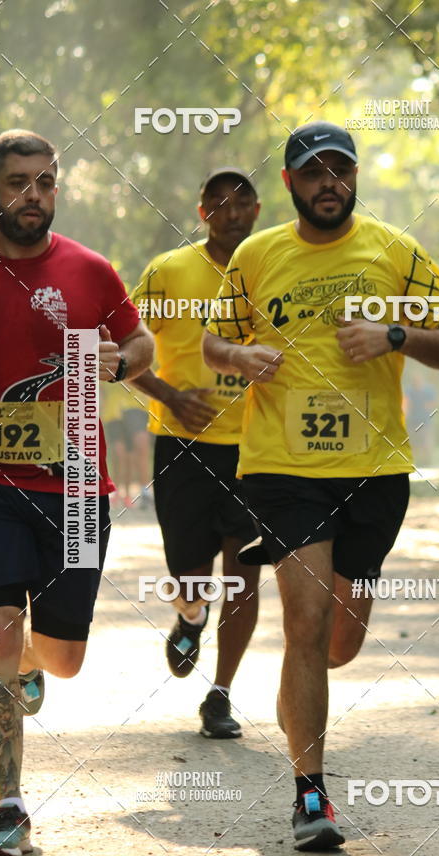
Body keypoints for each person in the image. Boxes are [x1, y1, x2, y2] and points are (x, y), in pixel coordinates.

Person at [203, 121, 439, 850]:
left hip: (374, 470)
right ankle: (310, 796)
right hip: (282, 467)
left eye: (340, 171)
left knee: (339, 643)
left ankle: (300, 693)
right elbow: (213, 341)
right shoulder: (256, 256)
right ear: (290, 182)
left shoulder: (396, 252)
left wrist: (394, 336)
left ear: (355, 177)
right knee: (307, 623)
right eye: (314, 172)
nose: (330, 183)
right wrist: (240, 357)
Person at [0, 129, 153, 856]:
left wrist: (121, 363)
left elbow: (142, 343)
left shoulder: (90, 270)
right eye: (18, 182)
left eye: (46, 182)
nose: (34, 195)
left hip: (79, 489)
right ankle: (10, 803)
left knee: (62, 658)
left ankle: (32, 660)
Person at [130, 168, 261, 739]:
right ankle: (190, 615)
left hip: (258, 449)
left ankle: (221, 694)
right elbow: (121, 348)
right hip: (182, 446)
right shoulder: (168, 271)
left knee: (245, 575)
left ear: (258, 210)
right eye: (219, 203)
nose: (232, 213)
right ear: (202, 211)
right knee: (190, 577)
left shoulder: (274, 266)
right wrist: (170, 396)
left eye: (243, 202)